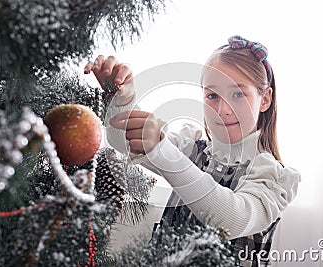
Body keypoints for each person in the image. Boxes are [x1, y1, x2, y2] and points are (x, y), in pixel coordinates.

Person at [84, 35, 300, 267]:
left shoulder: (272, 175)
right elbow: (123, 141)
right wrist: (120, 98)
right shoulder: (191, 148)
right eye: (212, 95)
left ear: (265, 99)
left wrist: (162, 150)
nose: (223, 109)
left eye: (238, 94)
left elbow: (234, 219)